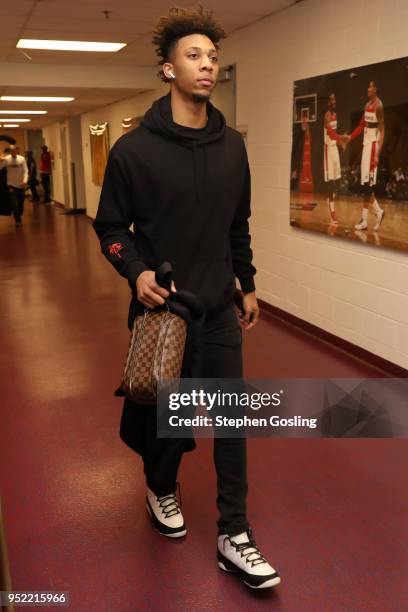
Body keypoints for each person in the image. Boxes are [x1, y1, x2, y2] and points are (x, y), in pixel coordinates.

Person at [93, 6, 280, 590]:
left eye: (213, 57)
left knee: (232, 420)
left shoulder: (232, 147)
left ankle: (234, 532)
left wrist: (245, 283)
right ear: (166, 68)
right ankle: (160, 487)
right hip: (165, 312)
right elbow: (110, 228)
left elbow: (238, 223)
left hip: (219, 310)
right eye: (194, 56)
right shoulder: (134, 151)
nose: (207, 66)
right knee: (166, 428)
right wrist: (137, 272)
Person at [344, 80, 385, 231]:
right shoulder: (367, 105)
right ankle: (376, 214)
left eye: (370, 86)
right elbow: (361, 125)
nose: (368, 88)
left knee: (366, 186)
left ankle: (368, 218)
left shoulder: (379, 106)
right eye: (367, 85)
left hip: (373, 147)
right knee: (365, 185)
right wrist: (349, 137)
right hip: (366, 147)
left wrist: (378, 153)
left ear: (376, 89)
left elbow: (382, 131)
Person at [323, 93, 346, 225]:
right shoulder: (326, 116)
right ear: (328, 103)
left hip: (334, 148)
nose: (334, 101)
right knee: (331, 182)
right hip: (328, 150)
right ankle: (332, 213)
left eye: (335, 99)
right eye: (332, 100)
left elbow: (334, 135)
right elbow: (331, 134)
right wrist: (341, 139)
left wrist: (340, 143)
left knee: (338, 179)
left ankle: (329, 198)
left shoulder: (335, 115)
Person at [0, 145, 28, 227]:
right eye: (11, 151)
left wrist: (25, 181)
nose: (12, 152)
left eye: (14, 150)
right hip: (11, 185)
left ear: (17, 150)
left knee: (20, 205)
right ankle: (17, 220)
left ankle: (19, 216)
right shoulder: (7, 159)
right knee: (14, 204)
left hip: (21, 185)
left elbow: (26, 171)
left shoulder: (21, 159)